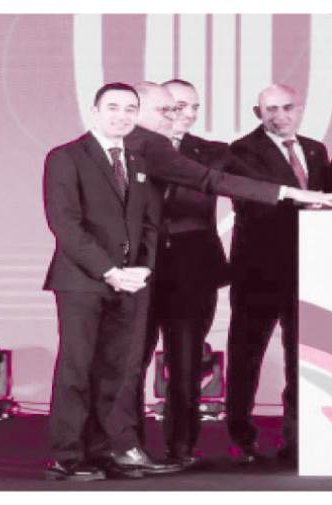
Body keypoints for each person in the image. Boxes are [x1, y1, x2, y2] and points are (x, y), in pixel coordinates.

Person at [43, 83, 163, 481]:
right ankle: (67, 455)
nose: (122, 116)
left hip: (130, 282)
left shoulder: (138, 161)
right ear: (94, 111)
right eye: (113, 107)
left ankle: (101, 450)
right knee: (77, 368)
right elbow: (66, 224)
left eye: (130, 109)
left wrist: (142, 268)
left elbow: (149, 223)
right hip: (83, 281)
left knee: (114, 372)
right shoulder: (66, 157)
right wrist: (109, 271)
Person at [225, 84, 331, 465]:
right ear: (258, 113)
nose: (280, 115)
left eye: (287, 107)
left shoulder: (316, 150)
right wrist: (307, 206)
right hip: (258, 271)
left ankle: (297, 440)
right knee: (245, 357)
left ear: (300, 109)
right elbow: (256, 201)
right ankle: (240, 438)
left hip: (308, 270)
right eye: (270, 109)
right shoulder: (241, 150)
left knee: (302, 359)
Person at [140, 79, 231, 468]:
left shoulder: (214, 153)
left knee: (186, 363)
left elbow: (253, 182)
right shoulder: (133, 148)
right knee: (132, 361)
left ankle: (181, 448)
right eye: (178, 105)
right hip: (140, 271)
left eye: (194, 106)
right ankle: (127, 446)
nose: (187, 114)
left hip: (194, 271)